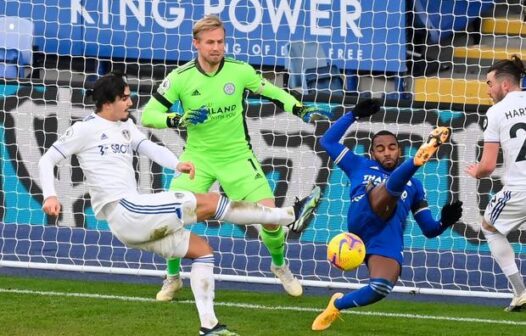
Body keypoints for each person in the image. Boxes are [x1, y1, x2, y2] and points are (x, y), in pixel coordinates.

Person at [37, 72, 321, 336]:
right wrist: (50, 195)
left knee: (203, 252)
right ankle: (287, 216)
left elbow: (149, 147)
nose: (130, 101)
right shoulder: (84, 129)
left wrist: (178, 163)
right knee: (210, 201)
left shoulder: (125, 127)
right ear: (107, 102)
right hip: (125, 210)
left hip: (134, 220)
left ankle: (209, 327)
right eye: (124, 97)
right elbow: (47, 159)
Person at [141, 14, 331, 300]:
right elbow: (148, 115)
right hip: (198, 158)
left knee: (271, 218)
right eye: (210, 43)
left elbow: (273, 92)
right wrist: (177, 119)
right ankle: (172, 277)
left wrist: (300, 109)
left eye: (220, 42)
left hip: (237, 157)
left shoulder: (239, 71)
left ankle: (280, 267)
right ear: (196, 44)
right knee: (173, 216)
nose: (216, 48)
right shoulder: (180, 78)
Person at [311, 99, 463, 331]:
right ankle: (417, 161)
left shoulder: (416, 186)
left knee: (380, 289)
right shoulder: (358, 165)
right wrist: (352, 115)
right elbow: (327, 141)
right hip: (362, 222)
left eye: (392, 147)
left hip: (386, 240)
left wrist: (445, 221)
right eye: (380, 149)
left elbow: (429, 230)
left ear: (399, 149)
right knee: (389, 188)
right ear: (372, 153)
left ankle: (336, 305)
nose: (387, 153)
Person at [465, 55, 526, 312]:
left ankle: (521, 292)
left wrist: (476, 171)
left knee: (489, 227)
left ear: (504, 85)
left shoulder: (497, 111)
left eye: (489, 84)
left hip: (520, 188)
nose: (488, 90)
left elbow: (488, 166)